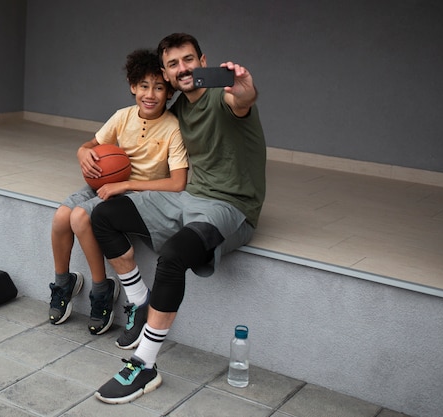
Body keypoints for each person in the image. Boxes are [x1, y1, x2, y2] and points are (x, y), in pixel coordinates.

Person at [92, 33, 266, 403]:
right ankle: (140, 300)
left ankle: (144, 364)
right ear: (167, 75)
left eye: (188, 60)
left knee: (173, 256)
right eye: (173, 64)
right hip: (189, 199)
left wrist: (246, 89)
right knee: (104, 214)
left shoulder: (225, 96)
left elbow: (242, 101)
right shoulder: (180, 111)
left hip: (230, 206)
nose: (182, 68)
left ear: (203, 60)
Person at [48, 48, 189, 336]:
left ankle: (102, 290)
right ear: (132, 86)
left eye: (159, 87)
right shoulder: (122, 117)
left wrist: (125, 185)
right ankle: (63, 282)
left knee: (79, 217)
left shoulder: (173, 128)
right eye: (144, 86)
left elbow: (177, 183)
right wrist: (82, 152)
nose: (150, 94)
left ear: (170, 92)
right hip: (107, 182)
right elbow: (90, 144)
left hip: (136, 193)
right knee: (61, 217)